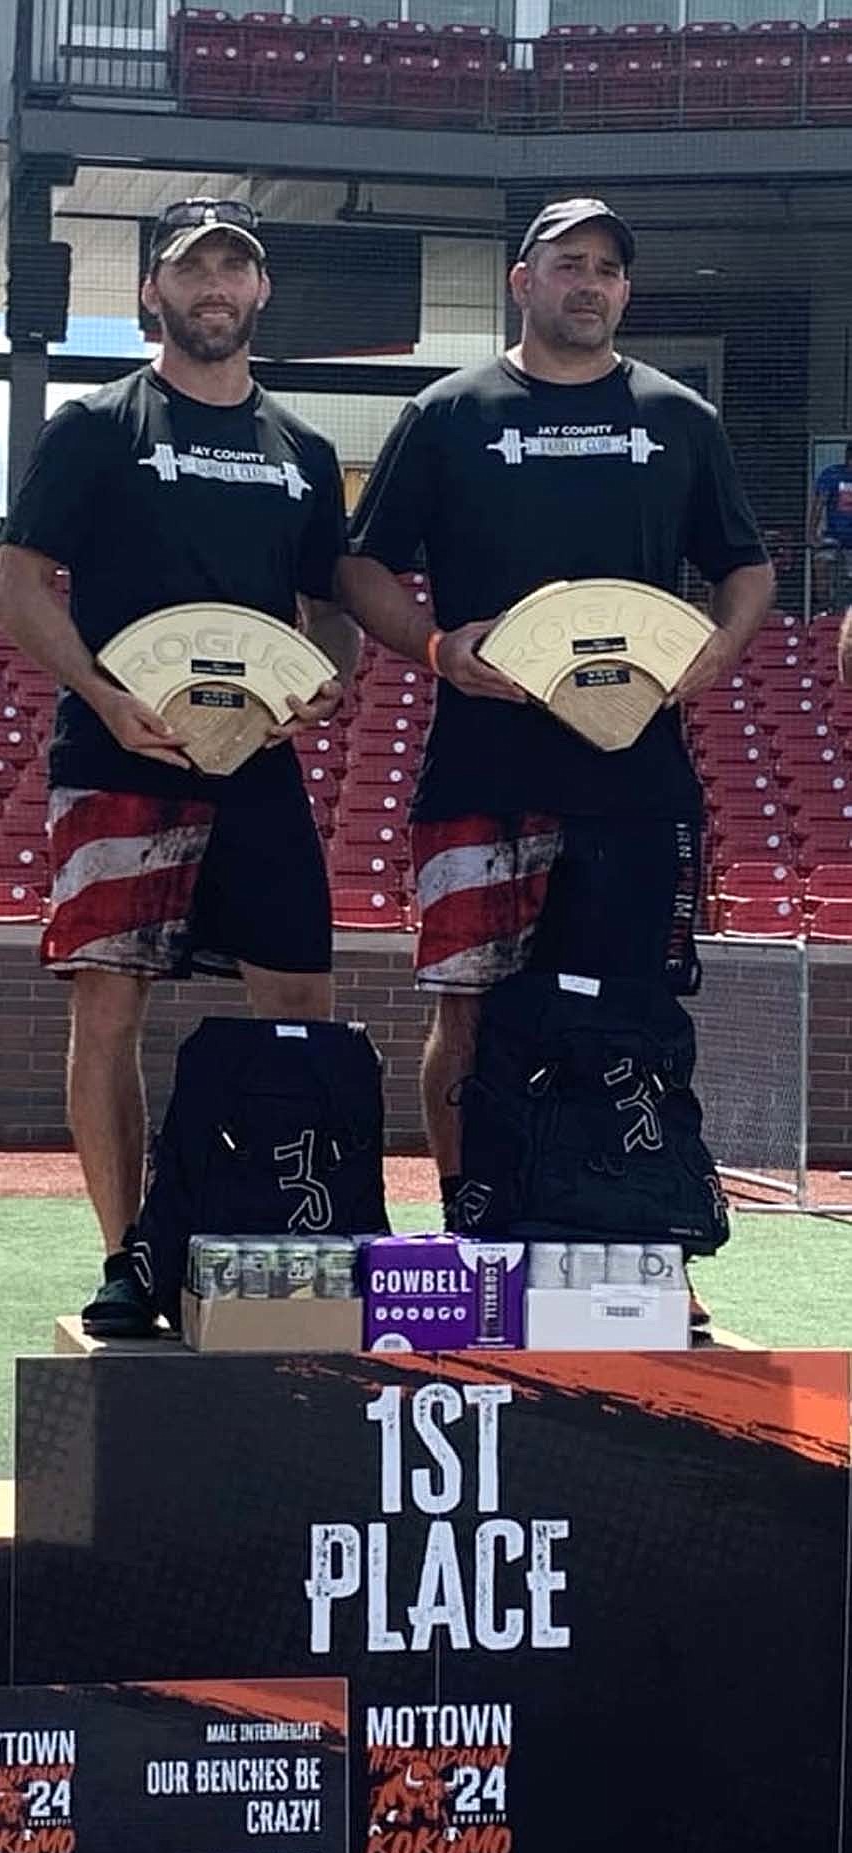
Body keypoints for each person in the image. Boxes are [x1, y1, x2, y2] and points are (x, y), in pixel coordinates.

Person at [337, 194, 775, 1327]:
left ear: (626, 292)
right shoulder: (448, 413)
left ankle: (639, 1246)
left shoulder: (678, 418)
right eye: (567, 263)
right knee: (471, 1014)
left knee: (628, 1021)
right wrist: (437, 645)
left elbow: (745, 568)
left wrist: (711, 655)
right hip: (483, 771)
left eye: (608, 270)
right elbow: (363, 569)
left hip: (636, 783)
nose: (589, 283)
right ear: (520, 280)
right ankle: (472, 1242)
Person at [0, 196, 360, 1335]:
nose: (214, 287)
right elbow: (16, 588)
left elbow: (331, 613)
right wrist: (105, 693)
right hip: (118, 759)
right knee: (110, 1006)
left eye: (234, 269)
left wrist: (321, 681)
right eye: (192, 268)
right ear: (154, 291)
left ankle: (288, 1242)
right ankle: (125, 1257)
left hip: (253, 765)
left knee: (300, 999)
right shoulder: (99, 426)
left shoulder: (300, 449)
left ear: (260, 294)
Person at [808, 441, 852, 611]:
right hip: (833, 536)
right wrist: (812, 534)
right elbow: (819, 504)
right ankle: (825, 608)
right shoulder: (832, 475)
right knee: (821, 563)